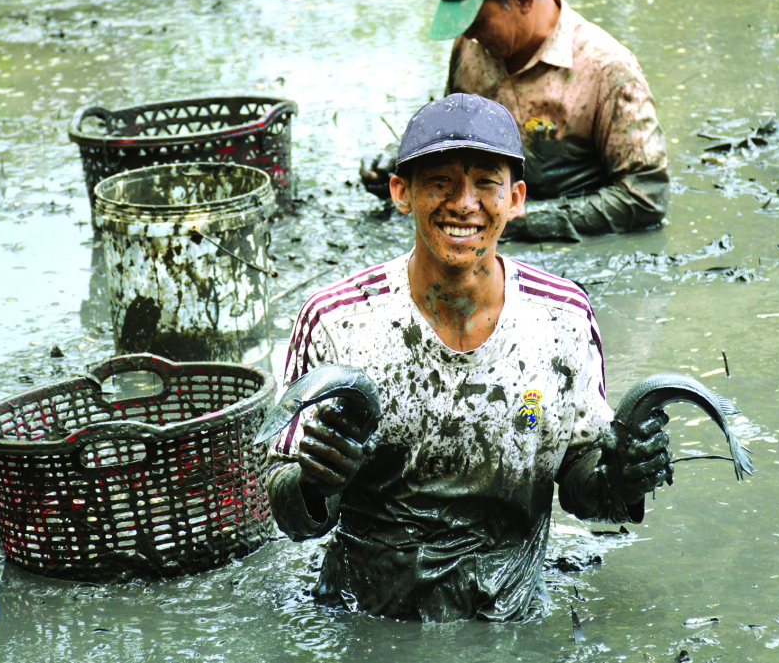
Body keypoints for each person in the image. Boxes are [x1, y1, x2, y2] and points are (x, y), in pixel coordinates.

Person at [270, 94, 672, 622]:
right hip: (368, 614)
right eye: (439, 182)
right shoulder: (337, 320)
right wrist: (319, 481)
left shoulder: (562, 319)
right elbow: (287, 508)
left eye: (486, 183)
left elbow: (581, 480)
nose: (464, 204)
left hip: (511, 611)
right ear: (401, 192)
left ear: (517, 198)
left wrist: (623, 475)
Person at [361, 0, 668, 242]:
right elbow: (453, 135)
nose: (469, 34)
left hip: (569, 241)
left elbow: (645, 198)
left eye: (478, 22)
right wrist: (406, 163)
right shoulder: (470, 46)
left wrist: (526, 219)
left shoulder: (607, 70)